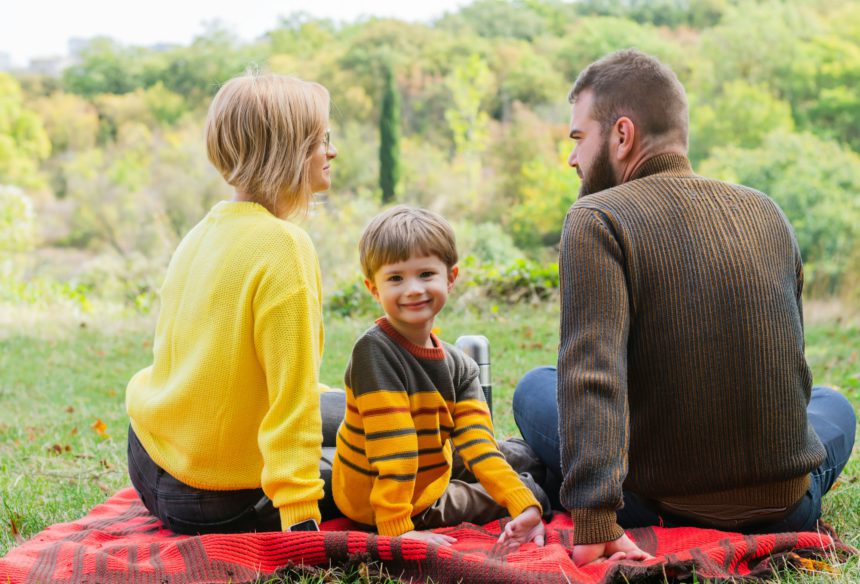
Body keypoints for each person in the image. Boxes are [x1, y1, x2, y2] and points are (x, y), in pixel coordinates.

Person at [512, 49, 856, 566]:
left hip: (653, 502)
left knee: (535, 387)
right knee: (834, 406)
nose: (572, 159)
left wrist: (595, 520)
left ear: (622, 135)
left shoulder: (596, 217)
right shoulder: (767, 210)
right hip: (787, 507)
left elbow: (592, 374)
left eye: (578, 138)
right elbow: (793, 374)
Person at [125, 73, 343, 535]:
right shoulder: (285, 246)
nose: (332, 151)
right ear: (287, 148)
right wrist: (301, 516)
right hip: (212, 499)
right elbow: (292, 401)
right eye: (321, 139)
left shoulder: (202, 231)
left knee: (370, 408)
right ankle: (508, 464)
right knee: (390, 460)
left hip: (149, 460)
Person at [332, 206, 548, 546]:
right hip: (383, 500)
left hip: (431, 464)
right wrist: (399, 532)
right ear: (373, 288)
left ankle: (535, 474)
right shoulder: (373, 352)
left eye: (426, 274)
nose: (413, 289)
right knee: (518, 490)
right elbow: (395, 452)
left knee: (520, 457)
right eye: (396, 278)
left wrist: (517, 501)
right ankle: (541, 489)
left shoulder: (461, 366)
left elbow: (478, 446)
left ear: (450, 277)